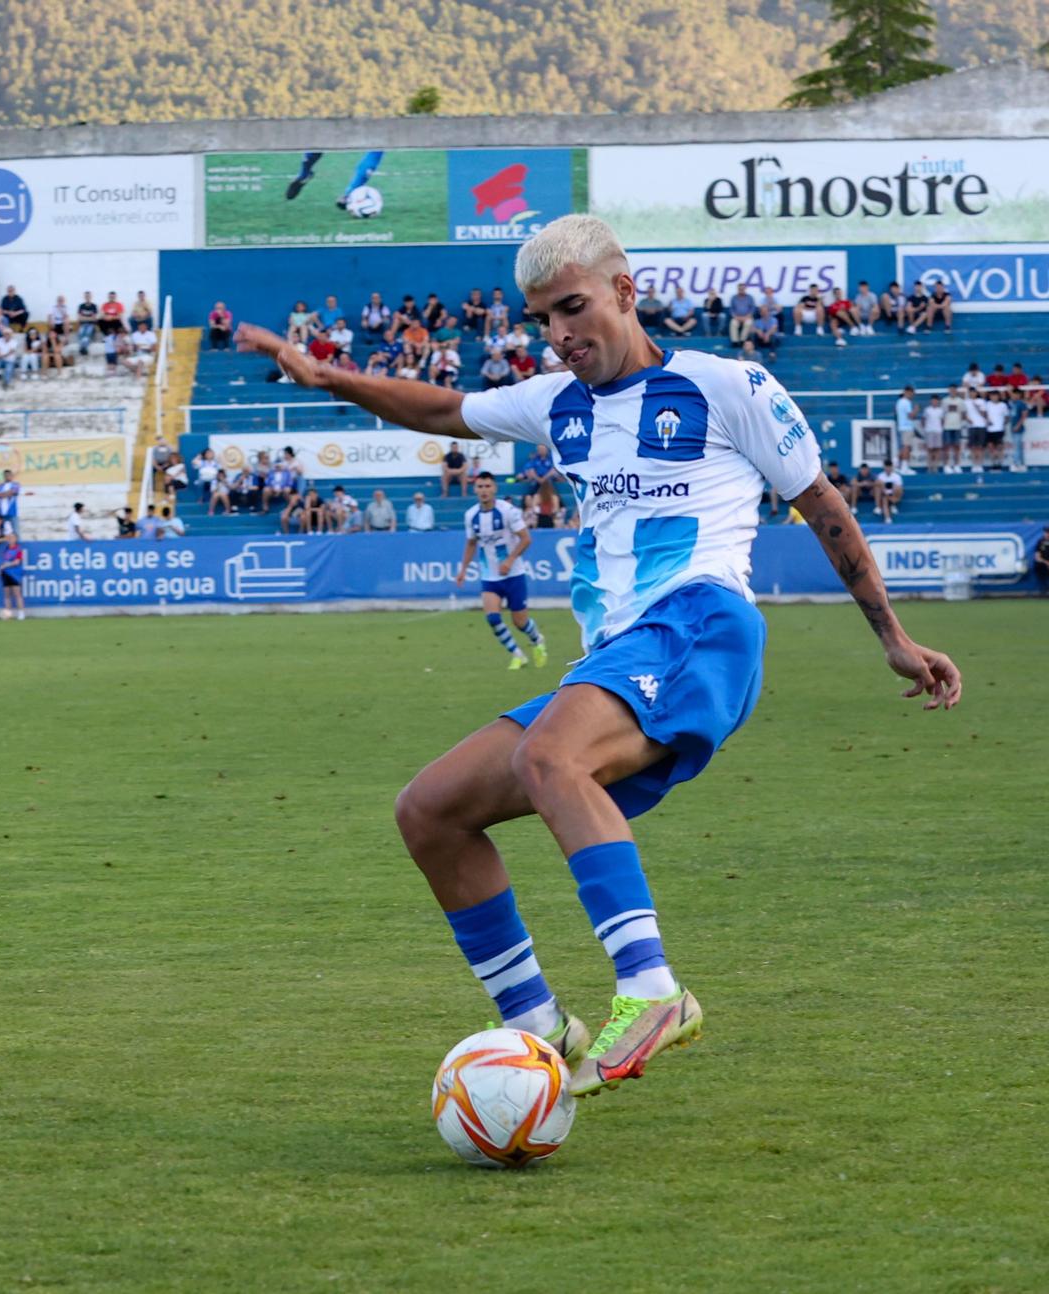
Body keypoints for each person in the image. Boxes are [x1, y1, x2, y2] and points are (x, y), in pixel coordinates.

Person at [237, 214, 959, 1097]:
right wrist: (327, 379)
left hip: (701, 624)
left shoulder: (726, 385)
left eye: (572, 308)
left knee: (548, 756)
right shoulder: (555, 403)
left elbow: (822, 503)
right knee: (429, 810)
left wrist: (893, 636)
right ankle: (543, 1030)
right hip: (619, 655)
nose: (558, 334)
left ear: (624, 291)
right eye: (541, 317)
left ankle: (652, 988)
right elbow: (439, 409)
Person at [454, 471, 547, 671]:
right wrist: (463, 570)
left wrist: (509, 560)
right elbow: (471, 543)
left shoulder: (508, 511)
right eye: (480, 487)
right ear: (475, 489)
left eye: (488, 486)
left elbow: (526, 538)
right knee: (493, 618)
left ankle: (537, 640)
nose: (484, 490)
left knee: (520, 622)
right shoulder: (471, 515)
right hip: (490, 576)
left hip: (513, 574)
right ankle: (517, 655)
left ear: (494, 488)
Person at [0, 531, 26, 619]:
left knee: (17, 593)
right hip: (5, 573)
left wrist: (5, 565)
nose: (10, 539)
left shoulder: (18, 549)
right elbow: (4, 560)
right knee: (7, 594)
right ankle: (8, 614)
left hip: (14, 574)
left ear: (16, 539)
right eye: (9, 538)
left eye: (12, 537)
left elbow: (17, 562)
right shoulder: (6, 549)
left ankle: (21, 613)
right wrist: (1, 568)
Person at [0, 469, 22, 537]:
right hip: (2, 514)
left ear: (12, 476)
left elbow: (13, 492)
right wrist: (7, 493)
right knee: (2, 533)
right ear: (3, 476)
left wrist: (2, 494)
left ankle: (17, 546)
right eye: (5, 475)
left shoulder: (16, 484)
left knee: (16, 532)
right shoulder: (0, 486)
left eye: (9, 475)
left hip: (12, 513)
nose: (7, 477)